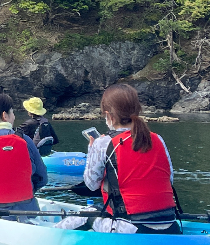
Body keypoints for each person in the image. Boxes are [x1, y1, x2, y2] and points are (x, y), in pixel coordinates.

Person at [76, 83, 180, 234]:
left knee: (85, 216)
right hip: (170, 223)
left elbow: (91, 185)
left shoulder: (102, 143)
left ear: (109, 115)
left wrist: (91, 150)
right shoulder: (158, 139)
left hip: (131, 227)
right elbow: (169, 180)